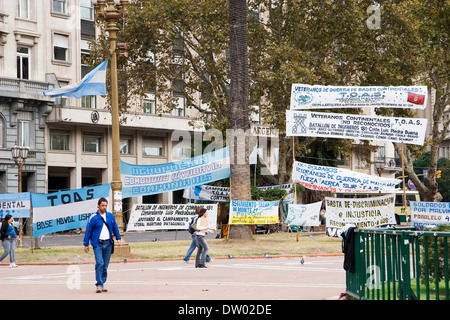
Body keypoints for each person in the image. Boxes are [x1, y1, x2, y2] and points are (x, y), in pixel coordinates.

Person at [83, 197, 121, 293]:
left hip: (108, 244)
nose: (104, 207)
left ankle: (102, 283)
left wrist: (118, 238)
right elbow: (88, 231)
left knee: (105, 265)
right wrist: (86, 244)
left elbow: (115, 227)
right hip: (97, 244)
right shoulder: (93, 217)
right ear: (98, 205)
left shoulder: (110, 216)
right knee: (99, 263)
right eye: (102, 205)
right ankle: (99, 284)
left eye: (105, 206)